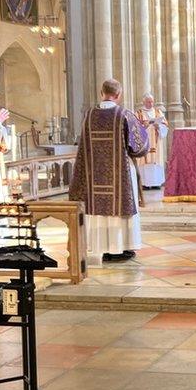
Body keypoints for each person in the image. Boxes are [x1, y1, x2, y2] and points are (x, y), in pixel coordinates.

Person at [69, 79, 150, 263]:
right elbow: (139, 146)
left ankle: (103, 248)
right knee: (119, 211)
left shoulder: (89, 115)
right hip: (120, 174)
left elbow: (83, 147)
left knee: (100, 214)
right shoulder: (124, 114)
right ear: (119, 95)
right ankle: (121, 248)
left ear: (101, 92)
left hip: (95, 175)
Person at [135, 94, 169, 189]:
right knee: (144, 164)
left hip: (156, 142)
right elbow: (134, 129)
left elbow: (165, 126)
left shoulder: (158, 113)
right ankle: (145, 184)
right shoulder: (139, 113)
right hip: (145, 142)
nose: (150, 104)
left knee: (156, 162)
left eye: (152, 102)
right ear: (144, 102)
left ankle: (156, 183)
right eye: (148, 102)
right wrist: (143, 127)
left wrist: (159, 127)